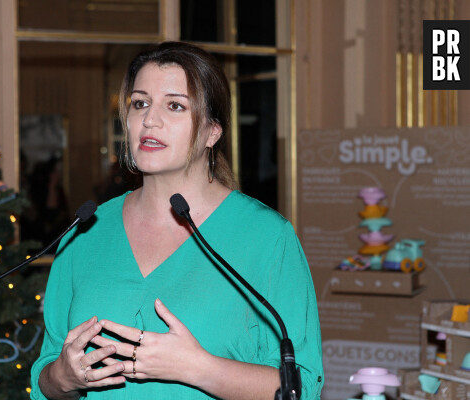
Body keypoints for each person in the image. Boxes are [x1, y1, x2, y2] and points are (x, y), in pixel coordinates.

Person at [30, 41, 324, 400]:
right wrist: (62, 377)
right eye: (140, 103)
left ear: (212, 132)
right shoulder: (86, 231)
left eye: (175, 105)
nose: (150, 120)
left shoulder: (267, 238)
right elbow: (46, 379)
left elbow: (302, 388)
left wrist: (199, 369)